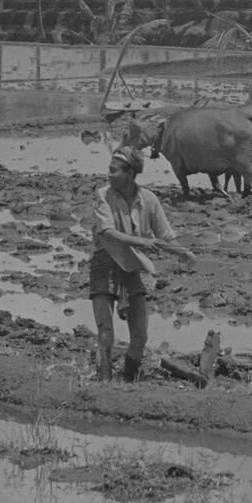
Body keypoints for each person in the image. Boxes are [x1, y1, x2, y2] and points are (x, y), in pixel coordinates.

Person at [88, 146, 193, 385]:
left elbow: (165, 236)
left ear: (130, 173)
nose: (109, 174)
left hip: (131, 268)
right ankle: (104, 386)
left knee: (139, 337)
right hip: (104, 264)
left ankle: (129, 382)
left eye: (114, 171)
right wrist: (143, 242)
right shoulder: (102, 195)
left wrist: (183, 253)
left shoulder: (149, 200)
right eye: (109, 170)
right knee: (106, 335)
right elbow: (108, 232)